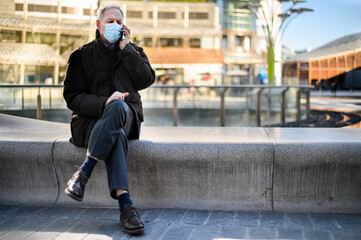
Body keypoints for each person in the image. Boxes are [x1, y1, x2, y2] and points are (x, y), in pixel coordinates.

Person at [63, 3, 155, 235]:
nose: (115, 25)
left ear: (124, 27)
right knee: (116, 134)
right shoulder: (81, 55)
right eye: (109, 21)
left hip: (127, 115)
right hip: (90, 121)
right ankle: (126, 207)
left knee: (118, 107)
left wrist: (126, 49)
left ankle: (84, 171)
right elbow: (72, 97)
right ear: (98, 24)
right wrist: (104, 102)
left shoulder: (132, 50)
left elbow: (146, 80)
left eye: (119, 22)